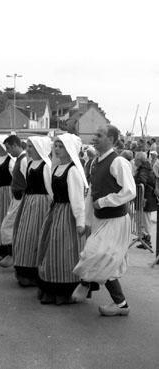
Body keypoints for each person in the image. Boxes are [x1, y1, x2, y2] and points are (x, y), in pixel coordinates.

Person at [73, 125, 136, 316]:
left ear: (111, 138)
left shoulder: (118, 162)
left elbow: (130, 191)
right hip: (101, 220)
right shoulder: (94, 163)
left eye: (99, 135)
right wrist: (86, 221)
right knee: (102, 258)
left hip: (116, 221)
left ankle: (86, 285)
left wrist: (105, 201)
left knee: (97, 254)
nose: (94, 138)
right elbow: (92, 193)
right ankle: (121, 304)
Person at [37, 133, 87, 305]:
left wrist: (80, 223)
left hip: (67, 215)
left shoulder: (72, 170)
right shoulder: (57, 168)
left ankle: (64, 290)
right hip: (56, 211)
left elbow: (78, 199)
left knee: (65, 250)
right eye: (56, 145)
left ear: (69, 149)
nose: (57, 149)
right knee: (52, 249)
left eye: (61, 146)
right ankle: (51, 286)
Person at [13, 136, 53, 287]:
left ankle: (34, 272)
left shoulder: (46, 166)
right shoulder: (30, 164)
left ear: (38, 148)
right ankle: (24, 269)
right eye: (28, 146)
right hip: (29, 202)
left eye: (30, 146)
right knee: (24, 236)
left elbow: (51, 190)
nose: (28, 149)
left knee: (35, 236)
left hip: (41, 204)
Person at [0, 135, 27, 268]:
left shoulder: (24, 160)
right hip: (16, 198)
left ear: (16, 145)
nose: (8, 151)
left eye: (9, 148)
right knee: (9, 226)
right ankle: (12, 254)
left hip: (21, 199)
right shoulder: (19, 159)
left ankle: (12, 254)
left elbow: (29, 181)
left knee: (8, 226)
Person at [134, 152, 157, 249]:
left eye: (135, 159)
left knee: (145, 219)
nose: (134, 161)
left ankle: (147, 240)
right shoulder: (145, 168)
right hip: (146, 197)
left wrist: (144, 198)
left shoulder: (144, 170)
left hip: (145, 198)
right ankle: (144, 238)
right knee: (143, 218)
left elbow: (142, 182)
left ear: (139, 160)